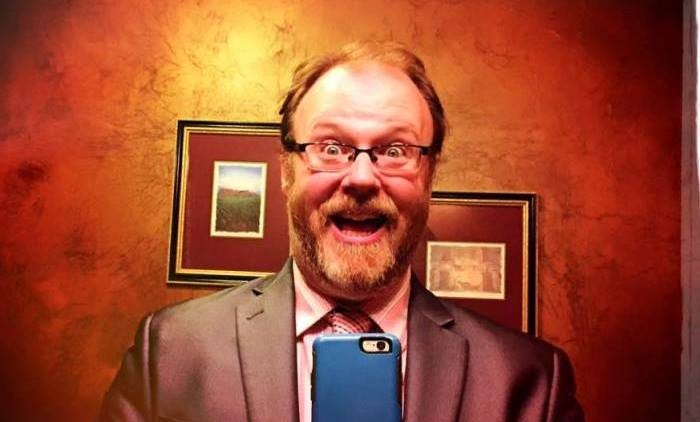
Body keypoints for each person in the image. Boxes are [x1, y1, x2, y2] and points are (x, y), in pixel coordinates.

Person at [99, 41, 584, 421]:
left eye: (395, 150)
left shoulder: (531, 381)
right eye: (331, 147)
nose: (361, 178)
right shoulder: (171, 351)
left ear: (429, 175)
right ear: (286, 170)